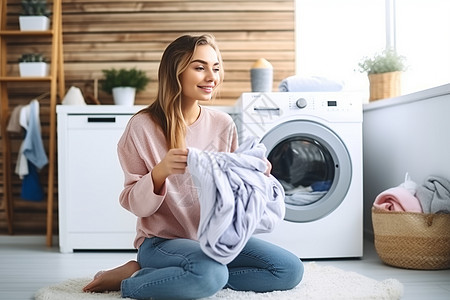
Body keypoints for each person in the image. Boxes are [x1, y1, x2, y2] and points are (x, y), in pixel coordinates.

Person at [83, 33, 303, 299]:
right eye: (200, 67)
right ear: (175, 73)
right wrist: (160, 172)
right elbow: (133, 202)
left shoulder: (223, 124)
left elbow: (231, 196)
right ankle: (132, 279)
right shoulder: (142, 127)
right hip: (161, 243)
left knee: (288, 269)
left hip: (215, 240)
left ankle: (168, 274)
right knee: (211, 273)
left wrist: (255, 176)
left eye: (216, 68)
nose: (212, 77)